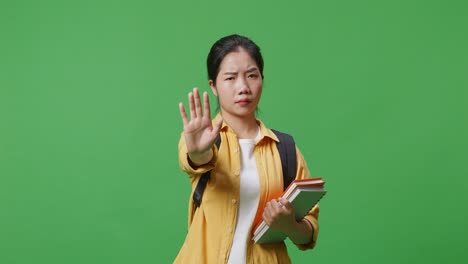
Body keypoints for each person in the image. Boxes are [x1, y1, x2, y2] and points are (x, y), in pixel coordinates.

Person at [174, 34, 320, 264]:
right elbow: (196, 159)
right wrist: (198, 151)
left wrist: (289, 225)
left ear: (262, 78)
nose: (243, 87)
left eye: (252, 76)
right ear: (213, 86)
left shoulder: (286, 150)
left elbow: (308, 233)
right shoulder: (203, 138)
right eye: (230, 78)